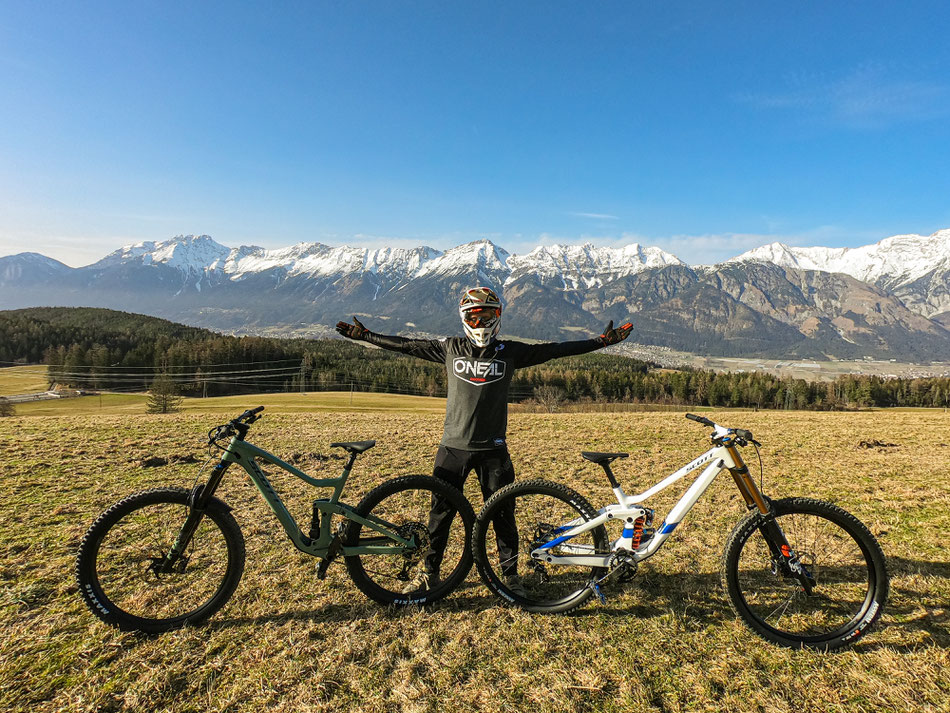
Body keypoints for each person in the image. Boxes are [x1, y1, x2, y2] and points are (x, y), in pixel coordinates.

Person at [336, 287, 632, 595]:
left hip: (494, 452)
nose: (480, 324)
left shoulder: (509, 351)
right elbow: (406, 345)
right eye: (474, 318)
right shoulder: (449, 347)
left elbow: (555, 349)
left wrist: (600, 342)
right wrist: (367, 336)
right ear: (464, 319)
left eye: (487, 317)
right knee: (439, 518)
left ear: (497, 317)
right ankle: (429, 573)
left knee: (504, 517)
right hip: (453, 448)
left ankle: (511, 577)